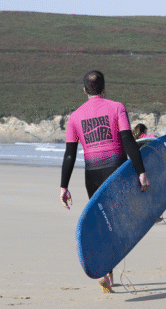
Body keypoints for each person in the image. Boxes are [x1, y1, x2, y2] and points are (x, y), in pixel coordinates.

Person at [60, 70, 150, 293]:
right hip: (116, 172)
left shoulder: (75, 117)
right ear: (104, 88)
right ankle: (108, 269)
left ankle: (105, 272)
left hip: (92, 175)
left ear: (84, 90)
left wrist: (64, 186)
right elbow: (128, 141)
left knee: (102, 222)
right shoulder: (117, 107)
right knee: (116, 223)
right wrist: (141, 172)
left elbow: (70, 154)